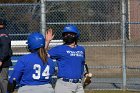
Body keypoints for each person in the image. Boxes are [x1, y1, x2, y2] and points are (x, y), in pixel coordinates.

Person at [46, 24, 86, 93]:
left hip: (78, 85)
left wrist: (85, 74)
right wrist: (47, 41)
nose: (68, 35)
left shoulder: (81, 49)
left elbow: (82, 64)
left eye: (71, 34)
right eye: (66, 34)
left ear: (76, 35)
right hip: (64, 84)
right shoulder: (59, 49)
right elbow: (42, 55)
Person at [0, 18, 13, 93]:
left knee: (2, 80)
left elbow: (5, 47)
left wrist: (1, 59)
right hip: (2, 60)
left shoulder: (2, 33)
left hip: (3, 62)